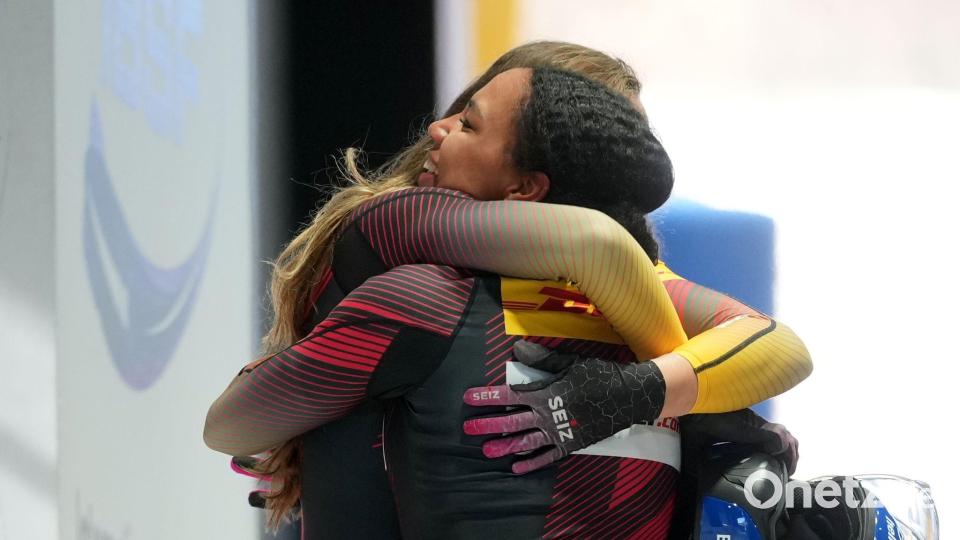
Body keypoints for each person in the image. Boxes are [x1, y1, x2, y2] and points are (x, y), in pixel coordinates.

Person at [205, 62, 811, 538]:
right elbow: (600, 244)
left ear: (528, 185)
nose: (436, 130)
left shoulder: (450, 288)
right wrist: (676, 395)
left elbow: (784, 348)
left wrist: (654, 388)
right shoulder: (407, 225)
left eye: (468, 122)